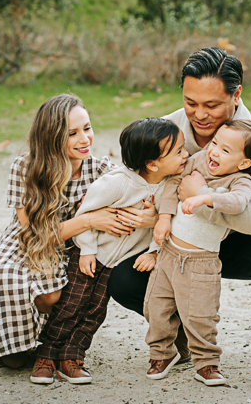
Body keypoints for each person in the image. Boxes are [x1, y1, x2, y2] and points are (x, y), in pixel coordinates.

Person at [108, 46, 251, 385]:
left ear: (236, 94)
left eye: (212, 105)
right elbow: (132, 185)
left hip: (232, 240)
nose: (199, 114)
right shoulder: (165, 130)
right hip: (175, 241)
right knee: (121, 278)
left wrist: (200, 198)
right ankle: (178, 332)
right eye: (190, 102)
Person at [0, 93, 154, 385]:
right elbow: (33, 233)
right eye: (72, 133)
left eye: (87, 128)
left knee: (54, 294)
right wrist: (88, 219)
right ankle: (15, 342)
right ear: (51, 137)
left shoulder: (100, 171)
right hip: (31, 241)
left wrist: (149, 216)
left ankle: (51, 345)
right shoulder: (25, 168)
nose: (85, 138)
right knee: (3, 277)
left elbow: (135, 200)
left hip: (75, 246)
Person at [145, 118, 251, 387]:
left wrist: (203, 195)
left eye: (226, 150)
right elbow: (172, 183)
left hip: (201, 262)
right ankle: (161, 354)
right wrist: (165, 217)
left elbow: (237, 205)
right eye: (215, 143)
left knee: (201, 316)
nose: (214, 151)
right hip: (169, 252)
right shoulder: (198, 160)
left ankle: (206, 363)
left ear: (244, 162)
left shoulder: (240, 181)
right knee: (156, 307)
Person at [71, 117, 188, 283]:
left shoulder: (170, 187)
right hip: (90, 253)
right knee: (72, 302)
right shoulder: (117, 183)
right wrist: (87, 249)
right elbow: (85, 212)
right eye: (179, 151)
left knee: (97, 307)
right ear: (153, 165)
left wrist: (153, 252)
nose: (187, 154)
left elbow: (164, 227)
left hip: (120, 261)